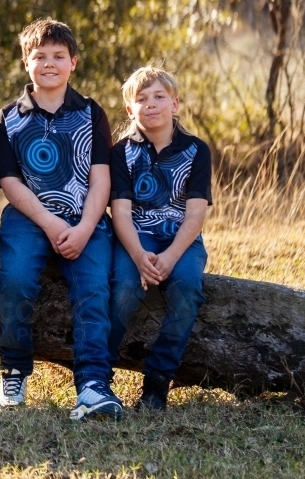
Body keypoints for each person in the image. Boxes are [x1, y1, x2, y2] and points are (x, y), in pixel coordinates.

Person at [0, 17, 122, 420]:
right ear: (26, 63)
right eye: (39, 56)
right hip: (29, 218)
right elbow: (10, 182)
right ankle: (14, 370)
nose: (49, 63)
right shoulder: (9, 116)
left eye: (58, 56)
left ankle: (94, 384)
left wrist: (83, 228)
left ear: (73, 62)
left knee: (95, 289)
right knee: (14, 281)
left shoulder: (91, 112)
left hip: (86, 217)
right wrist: (49, 223)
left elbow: (101, 179)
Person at [107, 67, 212, 410]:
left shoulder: (196, 151)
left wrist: (169, 258)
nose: (150, 105)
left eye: (159, 97)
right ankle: (98, 376)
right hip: (135, 238)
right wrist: (138, 256)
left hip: (181, 241)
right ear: (129, 110)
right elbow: (120, 213)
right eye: (141, 99)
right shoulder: (120, 153)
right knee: (123, 288)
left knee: (187, 290)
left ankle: (156, 384)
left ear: (175, 103)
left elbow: (196, 213)